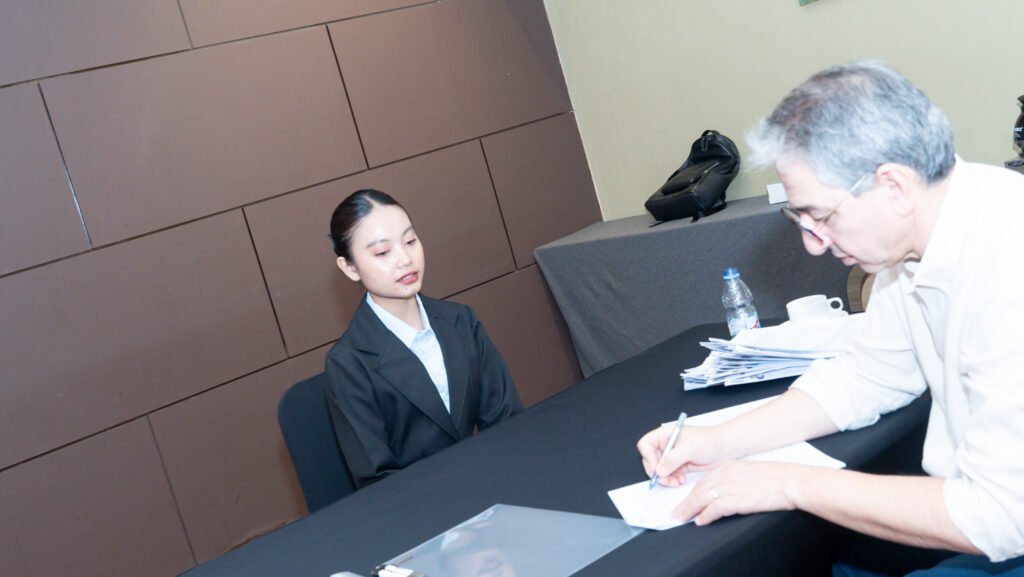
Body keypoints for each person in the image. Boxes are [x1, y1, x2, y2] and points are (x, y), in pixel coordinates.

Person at [637, 61, 1024, 576]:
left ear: (894, 186)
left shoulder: (1007, 268)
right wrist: (718, 440)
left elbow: (997, 517)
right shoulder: (920, 239)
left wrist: (787, 483)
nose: (813, 243)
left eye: (820, 215)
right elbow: (865, 376)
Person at [325, 189, 522, 488]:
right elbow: (379, 481)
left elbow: (508, 422)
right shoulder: (348, 363)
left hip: (493, 483)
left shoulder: (461, 321)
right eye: (382, 252)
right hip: (420, 505)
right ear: (350, 267)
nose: (405, 259)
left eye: (410, 241)